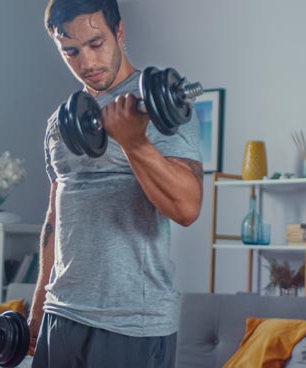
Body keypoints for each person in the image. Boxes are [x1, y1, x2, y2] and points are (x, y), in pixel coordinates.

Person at [28, 1, 203, 367]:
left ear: (119, 32)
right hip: (62, 316)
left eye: (96, 43)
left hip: (131, 324)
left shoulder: (158, 109)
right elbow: (56, 216)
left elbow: (187, 208)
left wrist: (134, 141)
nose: (87, 63)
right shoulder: (58, 125)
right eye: (71, 51)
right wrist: (39, 305)